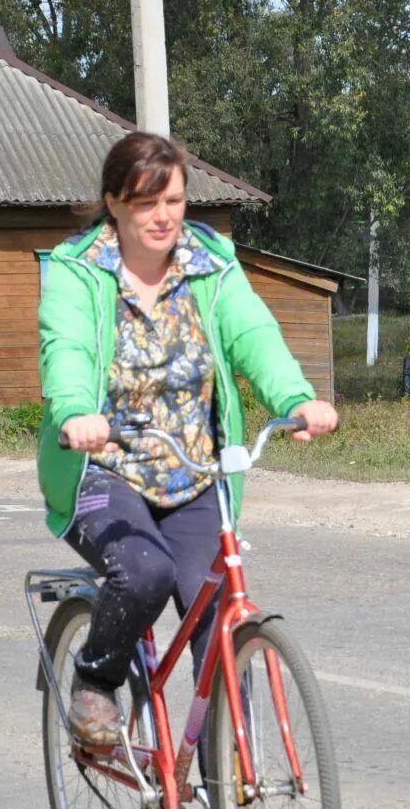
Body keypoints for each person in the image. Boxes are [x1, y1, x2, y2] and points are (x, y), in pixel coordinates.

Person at [37, 131, 337, 759]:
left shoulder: (210, 262)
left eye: (172, 199)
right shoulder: (77, 271)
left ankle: (236, 792)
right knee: (146, 573)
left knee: (220, 625)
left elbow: (253, 333)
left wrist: (296, 398)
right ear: (114, 203)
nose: (164, 216)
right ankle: (95, 682)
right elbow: (66, 349)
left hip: (196, 471)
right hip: (103, 469)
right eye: (147, 203)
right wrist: (74, 413)